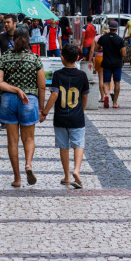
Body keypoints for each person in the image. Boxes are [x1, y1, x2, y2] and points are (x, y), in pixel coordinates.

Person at [0, 27, 46, 187]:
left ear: (13, 40)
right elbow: (42, 86)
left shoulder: (5, 58)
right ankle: (28, 164)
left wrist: (15, 89)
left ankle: (17, 178)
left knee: (12, 141)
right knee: (29, 138)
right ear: (29, 40)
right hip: (29, 101)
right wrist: (41, 108)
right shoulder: (35, 59)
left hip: (9, 100)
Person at [39, 43, 89, 189]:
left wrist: (44, 112)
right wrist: (82, 109)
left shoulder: (58, 74)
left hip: (60, 116)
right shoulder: (82, 75)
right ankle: (77, 170)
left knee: (63, 146)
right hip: (77, 116)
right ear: (77, 58)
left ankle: (67, 176)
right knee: (79, 144)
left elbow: (54, 94)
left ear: (63, 58)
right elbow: (85, 96)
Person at [91, 20, 126, 109]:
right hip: (117, 64)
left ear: (109, 28)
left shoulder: (103, 38)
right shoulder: (119, 39)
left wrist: (103, 50)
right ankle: (114, 103)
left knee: (106, 82)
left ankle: (106, 95)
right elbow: (124, 53)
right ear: (116, 29)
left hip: (106, 62)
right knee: (117, 82)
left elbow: (96, 48)